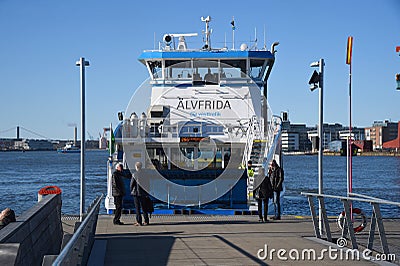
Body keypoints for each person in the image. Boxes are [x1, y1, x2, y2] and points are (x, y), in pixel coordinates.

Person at [130, 162, 150, 226]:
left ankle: (139, 221)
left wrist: (132, 191)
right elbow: (147, 184)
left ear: (136, 167)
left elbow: (131, 185)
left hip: (136, 193)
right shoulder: (145, 174)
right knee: (144, 208)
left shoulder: (134, 174)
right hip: (143, 193)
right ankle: (146, 221)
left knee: (137, 208)